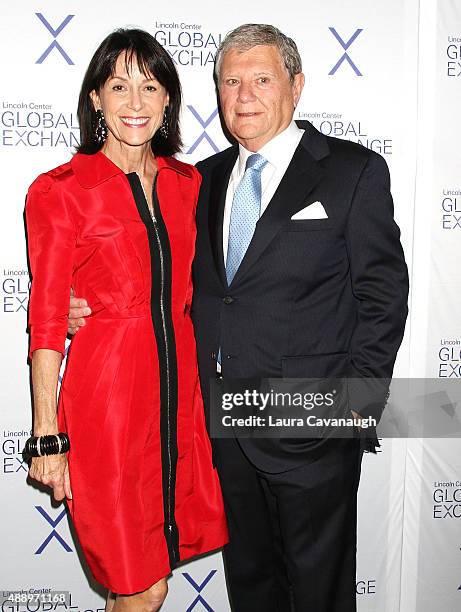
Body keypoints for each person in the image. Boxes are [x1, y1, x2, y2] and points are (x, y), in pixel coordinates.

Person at [69, 23, 409, 612]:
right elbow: (160, 277)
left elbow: (384, 295)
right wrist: (85, 304)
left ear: (295, 87)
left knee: (319, 594)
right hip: (220, 430)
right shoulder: (198, 180)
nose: (244, 95)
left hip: (313, 426)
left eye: (261, 79)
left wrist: (352, 409)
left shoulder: (351, 171)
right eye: (231, 81)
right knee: (252, 589)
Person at [24, 28, 227, 612]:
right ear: (95, 99)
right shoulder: (61, 192)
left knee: (151, 579)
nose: (135, 103)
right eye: (118, 86)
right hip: (108, 406)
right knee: (141, 584)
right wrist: (47, 433)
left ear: (169, 100)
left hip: (179, 402)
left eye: (150, 86)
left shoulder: (190, 185)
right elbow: (44, 320)